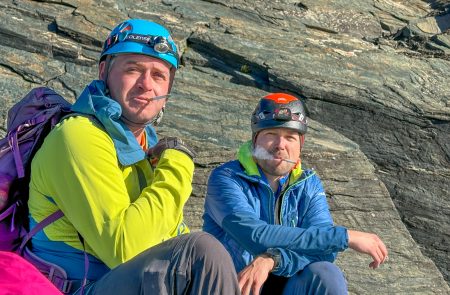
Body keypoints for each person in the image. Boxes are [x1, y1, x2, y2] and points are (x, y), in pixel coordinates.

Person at [27, 19, 239, 294]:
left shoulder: (143, 146)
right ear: (104, 71)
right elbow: (127, 250)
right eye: (133, 69)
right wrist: (178, 163)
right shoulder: (79, 136)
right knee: (201, 252)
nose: (146, 85)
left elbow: (170, 233)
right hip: (76, 288)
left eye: (159, 76)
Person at [203, 93, 388, 295]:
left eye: (290, 137)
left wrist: (273, 260)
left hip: (286, 285)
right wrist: (343, 236)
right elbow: (254, 235)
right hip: (234, 286)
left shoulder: (308, 184)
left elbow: (323, 252)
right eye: (271, 134)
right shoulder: (227, 177)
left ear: (301, 144)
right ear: (255, 140)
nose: (280, 145)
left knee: (326, 273)